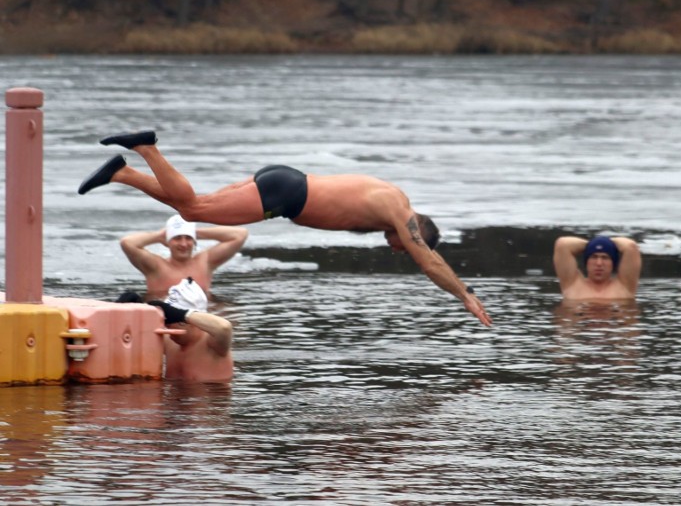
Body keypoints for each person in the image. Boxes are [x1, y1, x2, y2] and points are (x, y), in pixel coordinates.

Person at [78, 130, 491, 327]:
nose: (396, 246)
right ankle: (146, 147)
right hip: (286, 194)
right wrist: (466, 295)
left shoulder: (391, 196)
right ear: (416, 230)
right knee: (193, 208)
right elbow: (431, 262)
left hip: (286, 182)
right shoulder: (398, 211)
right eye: (401, 245)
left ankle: (123, 174)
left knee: (188, 203)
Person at [117, 278, 233, 382]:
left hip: (212, 403)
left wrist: (180, 314)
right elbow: (131, 339)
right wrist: (131, 311)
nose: (165, 325)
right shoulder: (169, 342)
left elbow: (224, 327)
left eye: (169, 319)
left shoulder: (213, 345)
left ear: (185, 321)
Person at [120, 213, 248, 299]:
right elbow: (127, 243)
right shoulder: (155, 267)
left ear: (194, 241)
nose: (183, 244)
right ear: (167, 242)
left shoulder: (205, 262)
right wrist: (159, 236)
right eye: (177, 238)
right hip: (166, 321)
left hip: (200, 319)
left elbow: (240, 234)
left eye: (188, 238)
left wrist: (195, 232)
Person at [553, 235, 642, 300]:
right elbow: (562, 244)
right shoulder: (572, 284)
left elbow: (631, 247)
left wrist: (606, 242)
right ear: (587, 262)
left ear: (613, 263)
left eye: (605, 257)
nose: (599, 263)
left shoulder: (624, 286)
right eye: (594, 257)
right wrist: (592, 244)